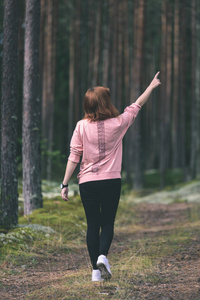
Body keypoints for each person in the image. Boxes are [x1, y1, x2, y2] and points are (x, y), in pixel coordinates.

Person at [61, 72, 161, 282]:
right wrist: (151, 86)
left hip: (87, 183)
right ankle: (102, 257)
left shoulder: (81, 125)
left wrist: (64, 183)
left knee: (92, 225)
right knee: (107, 223)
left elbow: (74, 156)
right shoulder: (119, 123)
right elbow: (137, 105)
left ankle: (95, 272)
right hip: (111, 181)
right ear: (105, 103)